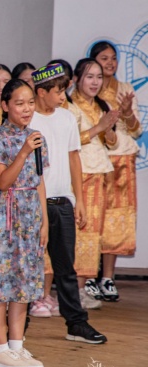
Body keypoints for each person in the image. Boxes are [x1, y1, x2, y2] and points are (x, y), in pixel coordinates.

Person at [28, 63, 107, 344]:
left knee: (66, 269)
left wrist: (79, 200)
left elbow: (74, 157)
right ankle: (17, 328)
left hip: (63, 202)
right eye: (58, 91)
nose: (63, 96)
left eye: (64, 91)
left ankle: (76, 323)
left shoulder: (67, 117)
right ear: (41, 92)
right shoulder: (28, 119)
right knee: (27, 266)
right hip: (32, 204)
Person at [0, 79, 48, 367]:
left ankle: (17, 346)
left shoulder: (37, 137)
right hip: (5, 218)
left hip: (30, 216)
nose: (26, 109)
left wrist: (44, 222)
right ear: (5, 105)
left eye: (30, 103)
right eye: (20, 103)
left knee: (24, 282)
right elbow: (2, 182)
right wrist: (23, 151)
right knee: (1, 283)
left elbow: (39, 182)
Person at [90, 41, 142, 301]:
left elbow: (136, 130)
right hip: (94, 161)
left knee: (115, 219)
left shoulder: (125, 89)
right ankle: (89, 275)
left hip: (122, 161)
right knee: (92, 217)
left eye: (113, 58)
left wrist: (128, 113)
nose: (110, 63)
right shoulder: (88, 89)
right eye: (104, 58)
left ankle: (108, 278)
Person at [69, 58, 120, 309]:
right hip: (80, 174)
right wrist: (99, 127)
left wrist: (107, 129)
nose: (95, 82)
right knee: (79, 233)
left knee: (92, 235)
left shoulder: (102, 105)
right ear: (77, 79)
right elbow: (71, 140)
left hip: (99, 174)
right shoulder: (68, 106)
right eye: (89, 76)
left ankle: (83, 287)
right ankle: (72, 289)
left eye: (99, 77)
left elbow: (112, 142)